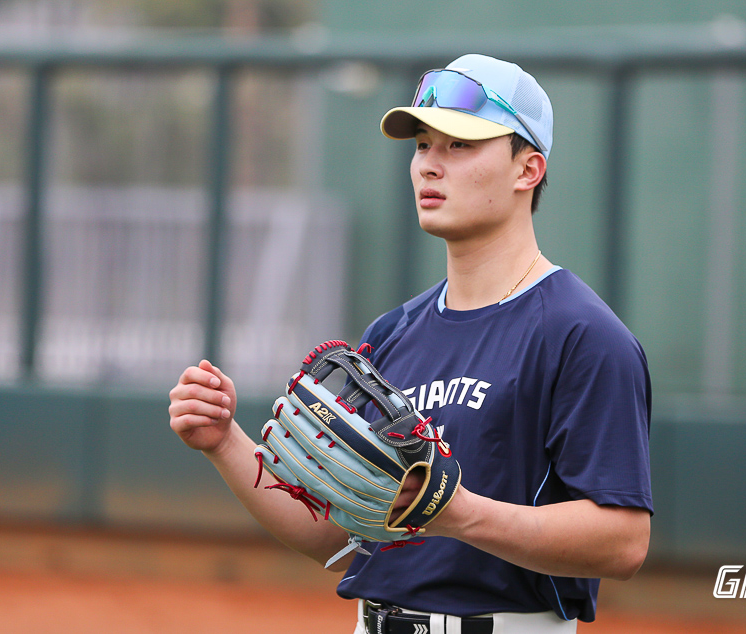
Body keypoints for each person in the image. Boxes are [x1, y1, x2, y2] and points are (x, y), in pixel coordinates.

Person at [169, 53, 652, 634]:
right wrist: (224, 442)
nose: (429, 165)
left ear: (528, 170)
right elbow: (334, 529)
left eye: (460, 145)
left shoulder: (581, 335)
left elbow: (623, 541)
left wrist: (462, 514)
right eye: (423, 144)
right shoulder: (392, 333)